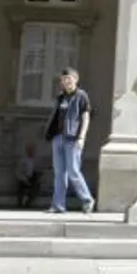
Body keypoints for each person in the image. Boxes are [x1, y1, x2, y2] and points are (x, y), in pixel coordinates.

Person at [47, 68, 95, 214]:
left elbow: (86, 118)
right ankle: (58, 205)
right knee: (59, 173)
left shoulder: (81, 96)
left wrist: (82, 137)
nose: (66, 81)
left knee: (73, 170)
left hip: (72, 138)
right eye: (63, 79)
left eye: (68, 78)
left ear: (76, 79)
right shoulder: (60, 97)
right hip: (58, 138)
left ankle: (87, 199)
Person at [15, 139, 42, 209]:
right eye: (30, 149)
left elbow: (38, 170)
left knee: (36, 187)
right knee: (20, 188)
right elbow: (18, 172)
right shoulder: (22, 159)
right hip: (24, 179)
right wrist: (25, 179)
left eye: (32, 149)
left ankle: (28, 201)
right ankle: (21, 202)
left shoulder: (36, 159)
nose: (31, 151)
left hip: (32, 178)